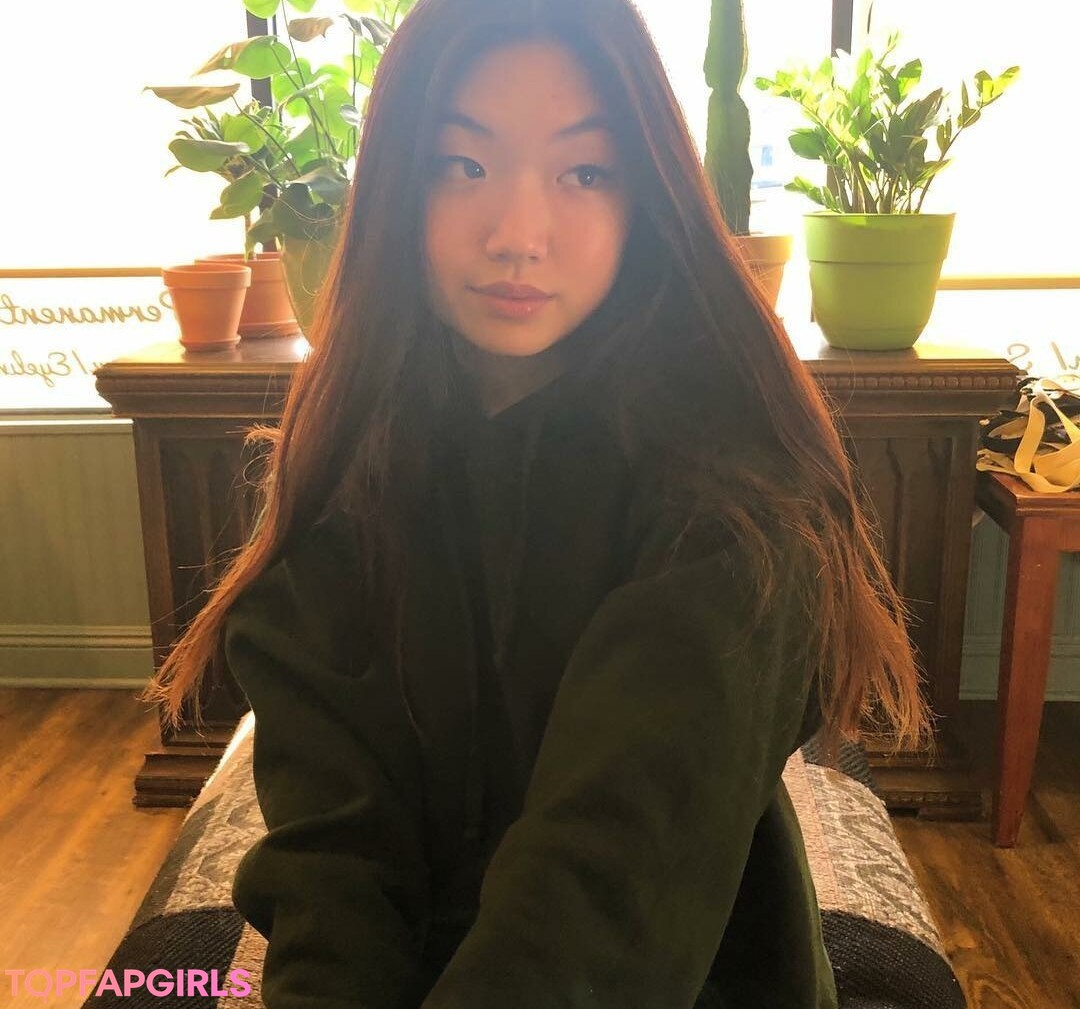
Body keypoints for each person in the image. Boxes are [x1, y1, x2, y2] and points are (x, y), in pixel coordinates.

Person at [142, 0, 935, 1006]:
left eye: (584, 172)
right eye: (461, 165)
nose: (517, 236)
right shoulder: (343, 481)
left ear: (647, 196)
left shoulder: (737, 499)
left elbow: (606, 889)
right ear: (398, 188)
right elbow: (334, 871)